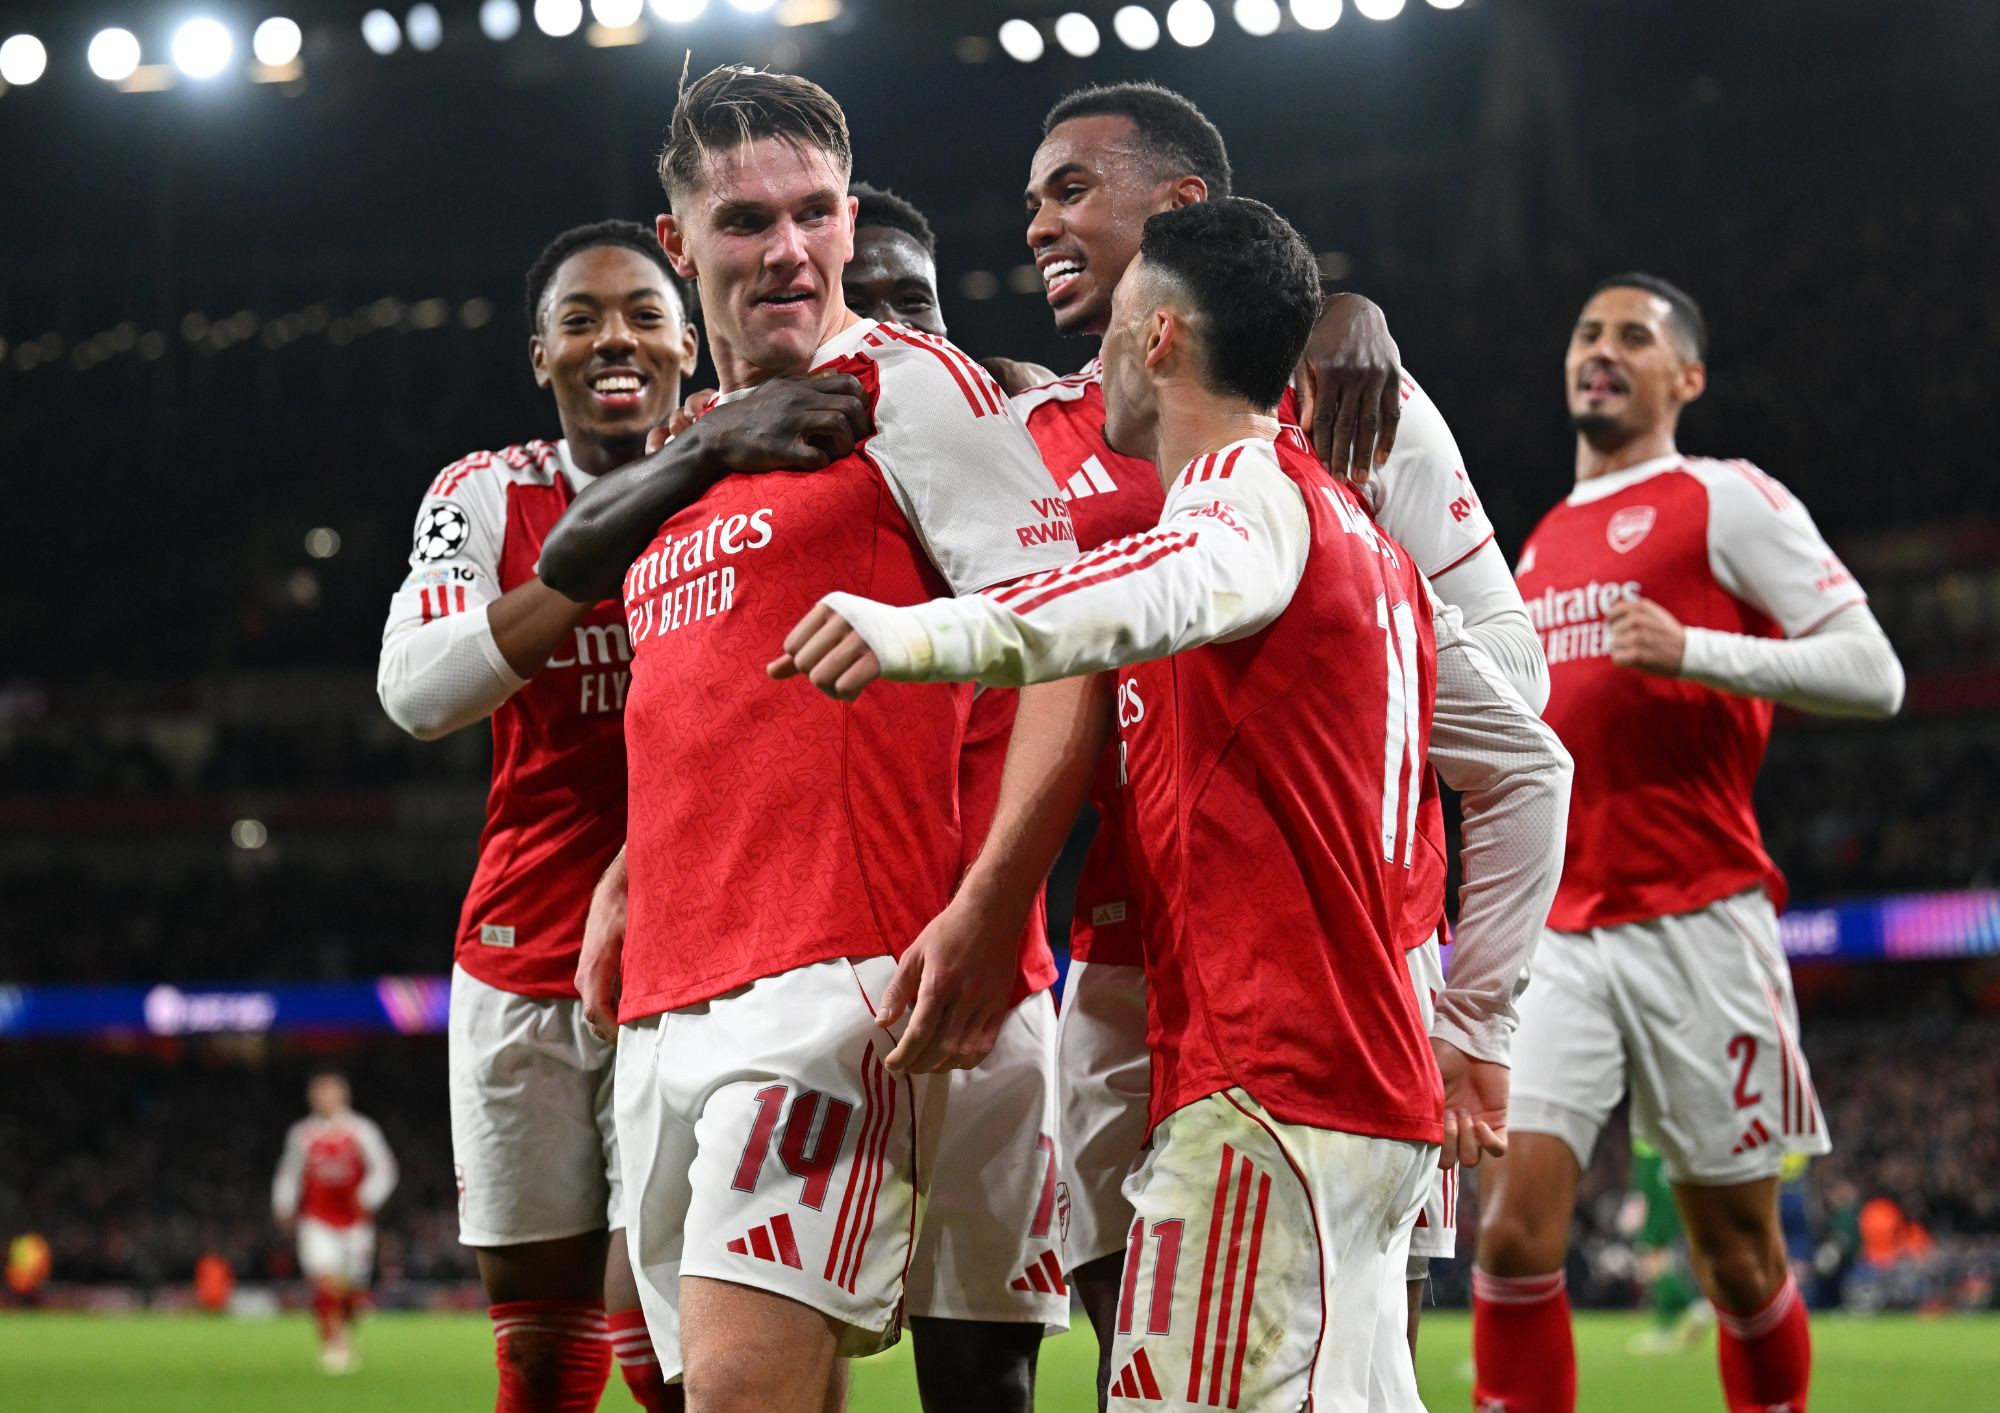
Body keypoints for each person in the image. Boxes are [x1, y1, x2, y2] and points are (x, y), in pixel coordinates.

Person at [775, 196, 1571, 1412]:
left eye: (1112, 334)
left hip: (1266, 1091)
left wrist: (925, 632)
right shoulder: (1364, 544)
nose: (1088, 359)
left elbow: (1163, 585)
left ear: (1155, 338)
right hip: (1367, 1101)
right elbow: (1529, 769)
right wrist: (1475, 1028)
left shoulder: (1240, 499)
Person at [538, 66, 1097, 1413]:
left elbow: (1068, 651)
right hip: (671, 994)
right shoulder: (691, 445)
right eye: (746, 221)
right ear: (679, 243)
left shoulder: (912, 391)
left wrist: (994, 905)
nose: (789, 249)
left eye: (815, 212)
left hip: (833, 980)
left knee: (748, 1392)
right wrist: (628, 875)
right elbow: (710, 701)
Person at [1008, 80, 1549, 1388]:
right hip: (1129, 934)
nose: (1037, 226)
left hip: (1340, 940)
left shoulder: (1353, 392)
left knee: (1357, 1329)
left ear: (1180, 205)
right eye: (1032, 200)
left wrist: (1358, 627)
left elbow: (1515, 684)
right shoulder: (1032, 429)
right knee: (1141, 1328)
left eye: (1071, 190)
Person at [1473, 273, 1906, 1413]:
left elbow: (1875, 674)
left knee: (1738, 1258)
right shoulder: (1537, 546)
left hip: (1699, 919)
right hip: (1561, 931)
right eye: (1585, 332)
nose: (1600, 350)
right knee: (1510, 1234)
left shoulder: (1725, 498)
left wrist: (1697, 652)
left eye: (1632, 336)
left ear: (1687, 377)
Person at [376, 219, 697, 1413]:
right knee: (545, 1360)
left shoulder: (744, 472)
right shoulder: (485, 491)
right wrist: (584, 561)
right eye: (580, 319)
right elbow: (418, 692)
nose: (614, 339)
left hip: (699, 957)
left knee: (671, 1349)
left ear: (688, 343)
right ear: (538, 355)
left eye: (644, 315)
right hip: (522, 953)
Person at [836, 178, 1071, 1412]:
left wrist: (1347, 310)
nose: (888, 325)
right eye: (857, 298)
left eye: (912, 301)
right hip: (806, 979)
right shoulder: (745, 475)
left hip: (991, 978)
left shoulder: (1015, 451)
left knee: (985, 1371)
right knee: (741, 1359)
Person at [271, 1072, 398, 1375]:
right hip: (316, 1221)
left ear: (344, 1096)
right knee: (325, 1280)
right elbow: (289, 1172)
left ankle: (345, 1332)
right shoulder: (303, 1134)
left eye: (331, 1093)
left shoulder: (362, 1130)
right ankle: (333, 1345)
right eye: (320, 1094)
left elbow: (384, 1168)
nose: (326, 1099)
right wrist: (284, 1203)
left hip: (355, 1223)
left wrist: (369, 1196)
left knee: (352, 1289)